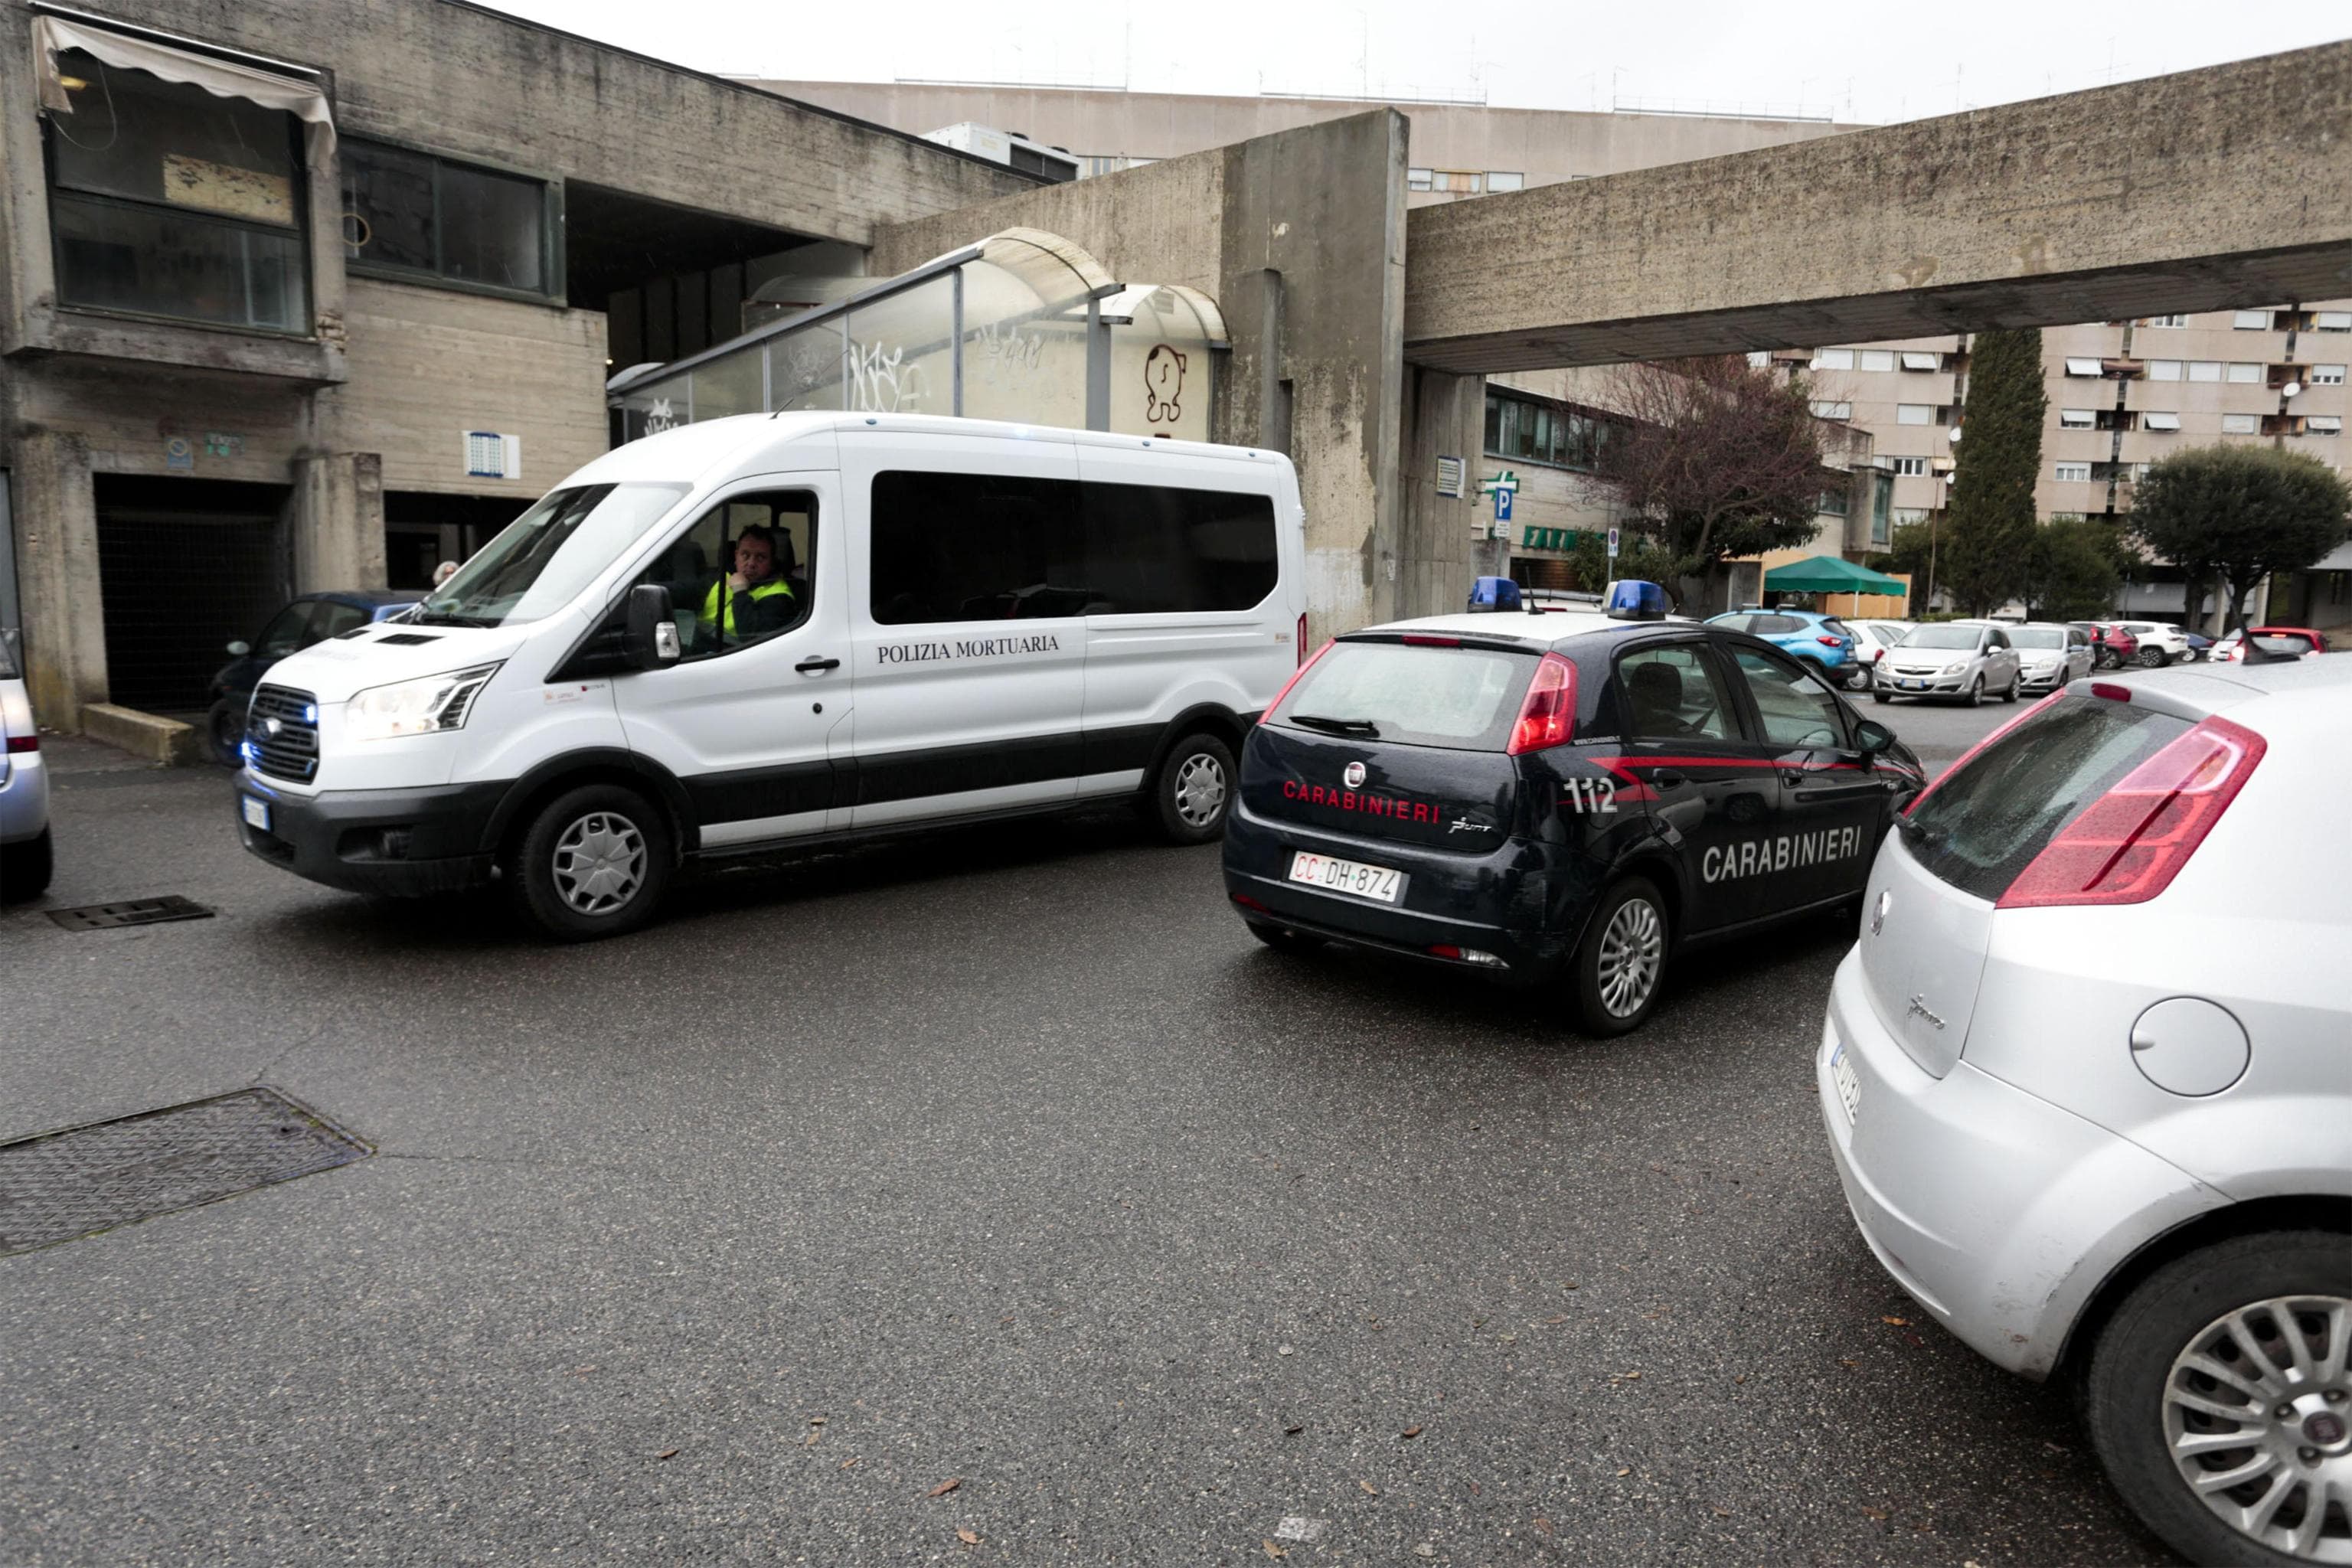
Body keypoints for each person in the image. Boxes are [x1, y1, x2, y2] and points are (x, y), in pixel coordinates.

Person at [701, 526, 795, 642]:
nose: (751, 563)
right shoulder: (722, 577)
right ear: (736, 556)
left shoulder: (779, 597)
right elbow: (685, 590)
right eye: (745, 555)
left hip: (734, 655)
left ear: (771, 563)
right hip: (702, 651)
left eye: (760, 557)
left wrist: (740, 592)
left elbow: (752, 636)